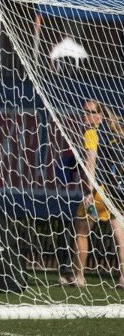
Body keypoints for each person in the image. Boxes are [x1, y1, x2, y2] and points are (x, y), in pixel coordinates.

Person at [59, 100, 124, 288]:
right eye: (84, 111)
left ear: (100, 115)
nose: (85, 116)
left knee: (81, 231)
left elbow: (90, 163)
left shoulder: (91, 133)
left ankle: (79, 277)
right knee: (119, 233)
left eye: (90, 112)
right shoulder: (114, 132)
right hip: (116, 190)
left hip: (99, 190)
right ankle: (123, 277)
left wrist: (88, 191)